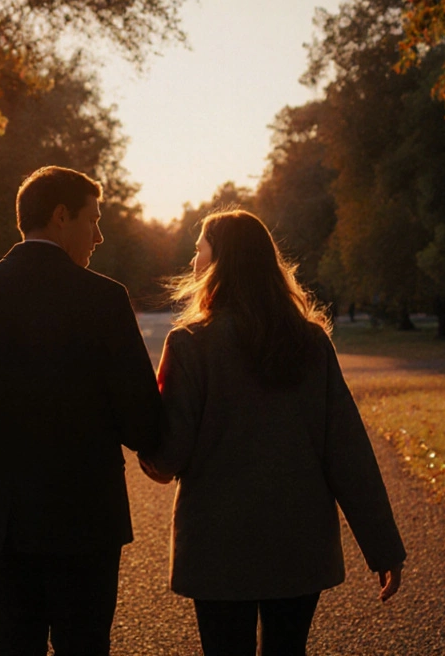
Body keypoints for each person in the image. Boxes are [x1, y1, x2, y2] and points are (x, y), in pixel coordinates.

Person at [140, 210, 406, 656]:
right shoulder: (310, 343)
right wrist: (384, 549)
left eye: (199, 248)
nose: (193, 261)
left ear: (220, 260)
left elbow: (169, 456)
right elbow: (347, 453)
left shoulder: (190, 344)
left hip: (218, 544)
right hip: (298, 542)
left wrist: (145, 446)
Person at [0, 165, 162, 656]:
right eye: (93, 220)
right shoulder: (104, 299)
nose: (99, 236)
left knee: (15, 646)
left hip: (0, 519)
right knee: (85, 645)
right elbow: (140, 417)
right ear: (61, 216)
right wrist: (162, 447)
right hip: (85, 518)